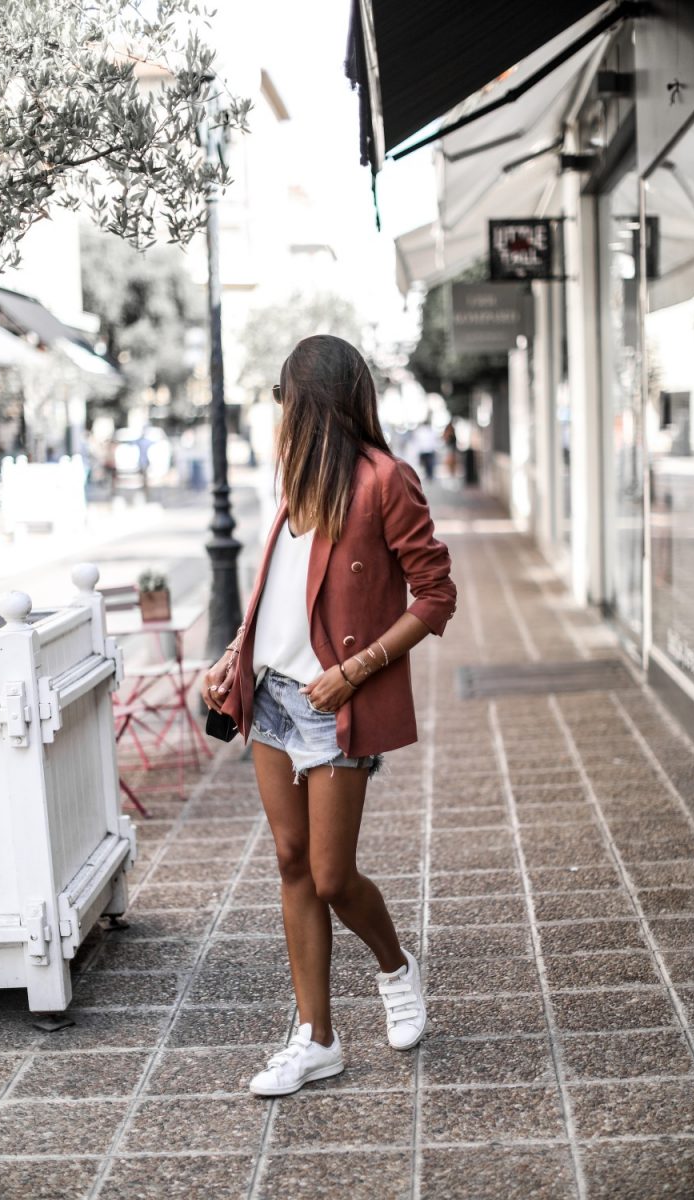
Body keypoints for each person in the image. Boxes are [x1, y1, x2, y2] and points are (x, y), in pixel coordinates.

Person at [201, 335, 457, 1098]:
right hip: (273, 697)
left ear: (309, 403)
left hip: (330, 705)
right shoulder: (294, 483)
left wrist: (355, 671)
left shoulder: (385, 481)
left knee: (332, 874)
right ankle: (317, 1039)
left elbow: (436, 595)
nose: (280, 414)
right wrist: (235, 654)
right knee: (291, 862)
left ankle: (395, 968)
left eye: (284, 399)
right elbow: (281, 595)